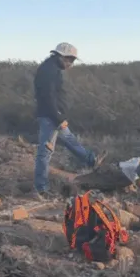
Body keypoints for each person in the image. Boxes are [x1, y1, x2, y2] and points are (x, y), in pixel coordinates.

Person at [33, 42, 106, 199]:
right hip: (50, 117)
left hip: (53, 116)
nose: (71, 63)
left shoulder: (52, 68)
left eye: (72, 60)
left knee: (69, 140)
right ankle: (41, 187)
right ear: (60, 56)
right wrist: (58, 118)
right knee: (45, 152)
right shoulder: (49, 71)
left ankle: (91, 160)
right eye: (69, 59)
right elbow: (48, 97)